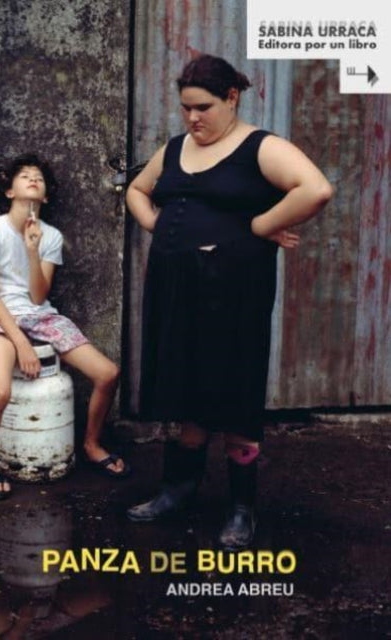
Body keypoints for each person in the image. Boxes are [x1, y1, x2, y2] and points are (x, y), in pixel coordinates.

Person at [125, 54, 333, 550]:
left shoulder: (260, 147)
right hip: (176, 288)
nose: (193, 117)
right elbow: (136, 189)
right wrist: (158, 225)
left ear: (232, 97)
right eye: (186, 108)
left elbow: (317, 189)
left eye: (204, 107)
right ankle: (178, 489)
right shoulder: (175, 148)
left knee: (234, 390)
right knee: (184, 384)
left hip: (234, 292)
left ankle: (242, 508)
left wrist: (260, 225)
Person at [0, 153, 130, 499]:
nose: (32, 179)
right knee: (0, 392)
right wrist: (21, 344)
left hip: (39, 314)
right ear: (9, 191)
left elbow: (38, 296)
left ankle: (91, 444)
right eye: (24, 175)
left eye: (39, 178)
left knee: (108, 373)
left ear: (45, 197)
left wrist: (32, 250)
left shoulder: (51, 236)